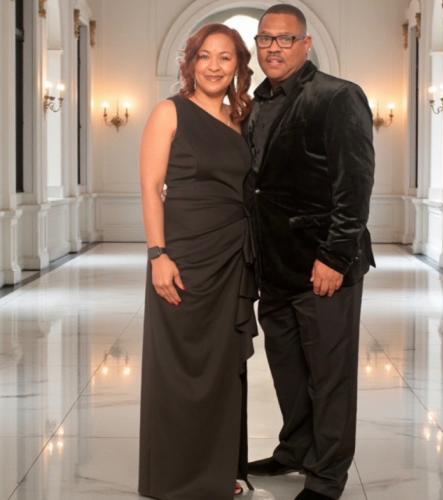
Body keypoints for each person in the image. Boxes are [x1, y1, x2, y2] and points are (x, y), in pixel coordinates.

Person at [244, 4, 375, 500]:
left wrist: (335, 256)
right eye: (265, 39)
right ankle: (296, 449)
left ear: (306, 43)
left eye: (285, 38)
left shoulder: (338, 96)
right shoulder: (256, 103)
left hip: (323, 265)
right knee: (289, 372)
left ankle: (328, 475)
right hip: (274, 267)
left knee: (330, 376)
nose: (273, 48)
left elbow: (354, 185)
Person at [138, 23, 258, 500]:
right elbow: (151, 188)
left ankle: (220, 472)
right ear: (190, 63)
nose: (214, 66)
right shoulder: (169, 112)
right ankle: (173, 476)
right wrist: (158, 254)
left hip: (231, 258)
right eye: (205, 56)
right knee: (179, 366)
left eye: (225, 57)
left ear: (238, 66)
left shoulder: (241, 118)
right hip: (183, 255)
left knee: (223, 368)